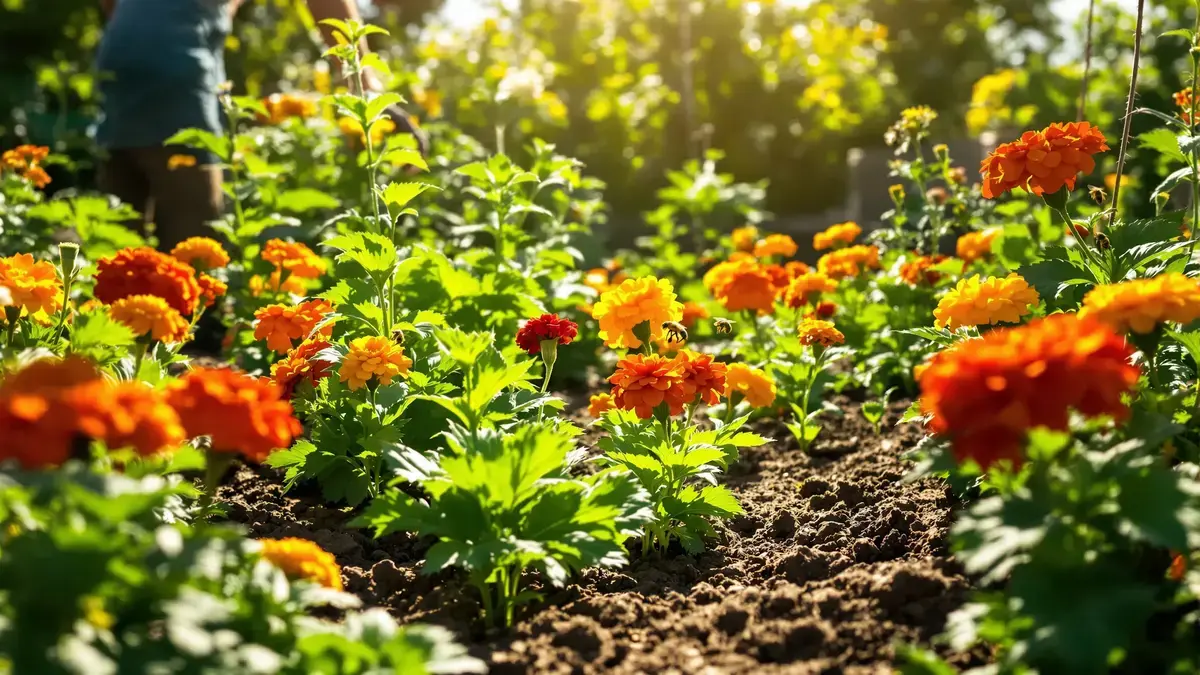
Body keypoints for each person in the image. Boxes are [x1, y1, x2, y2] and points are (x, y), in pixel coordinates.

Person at [95, 0, 425, 252]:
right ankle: (194, 315)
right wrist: (363, 84)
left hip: (117, 52)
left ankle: (110, 311)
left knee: (119, 229)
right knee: (195, 242)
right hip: (176, 62)